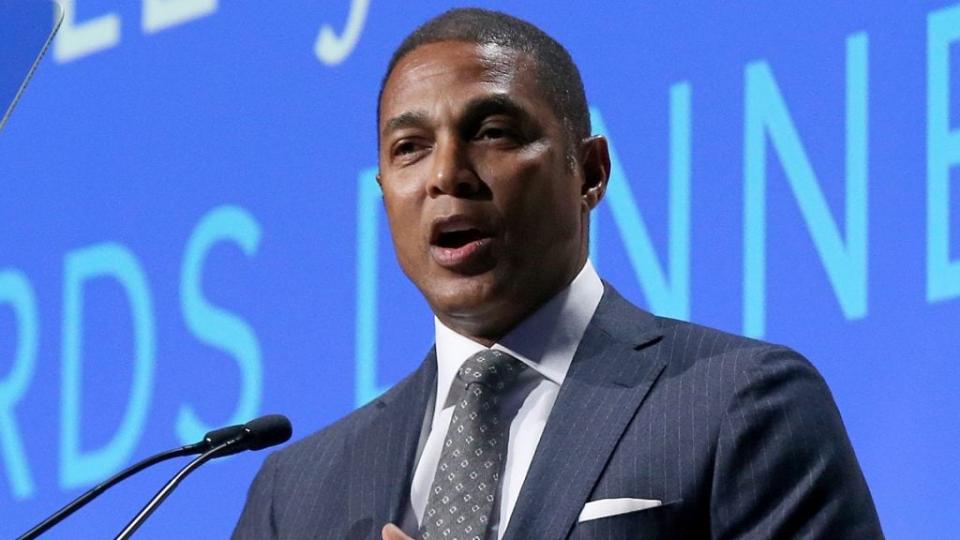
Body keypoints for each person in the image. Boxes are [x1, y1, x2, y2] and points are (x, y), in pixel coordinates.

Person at [233, 8, 883, 539]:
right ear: (384, 192)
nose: (445, 175)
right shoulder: (294, 497)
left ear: (590, 171)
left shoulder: (741, 404)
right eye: (410, 148)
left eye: (491, 131)